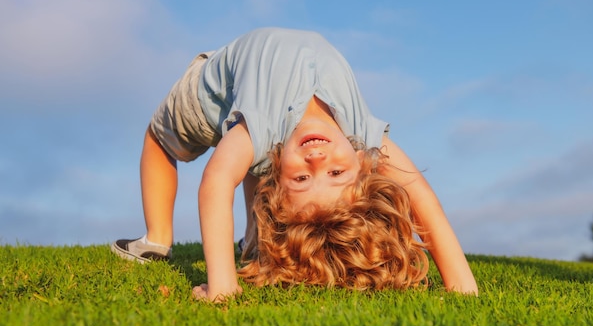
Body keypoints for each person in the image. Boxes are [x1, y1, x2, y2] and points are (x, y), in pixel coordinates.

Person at [111, 27, 478, 300]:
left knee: (158, 140)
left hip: (209, 92)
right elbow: (422, 199)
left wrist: (222, 287)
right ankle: (244, 244)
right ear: (364, 171)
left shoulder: (261, 128)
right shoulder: (364, 137)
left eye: (303, 178)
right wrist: (462, 286)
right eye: (336, 174)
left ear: (276, 192)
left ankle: (157, 241)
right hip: (233, 76)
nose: (317, 159)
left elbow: (218, 181)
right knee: (255, 158)